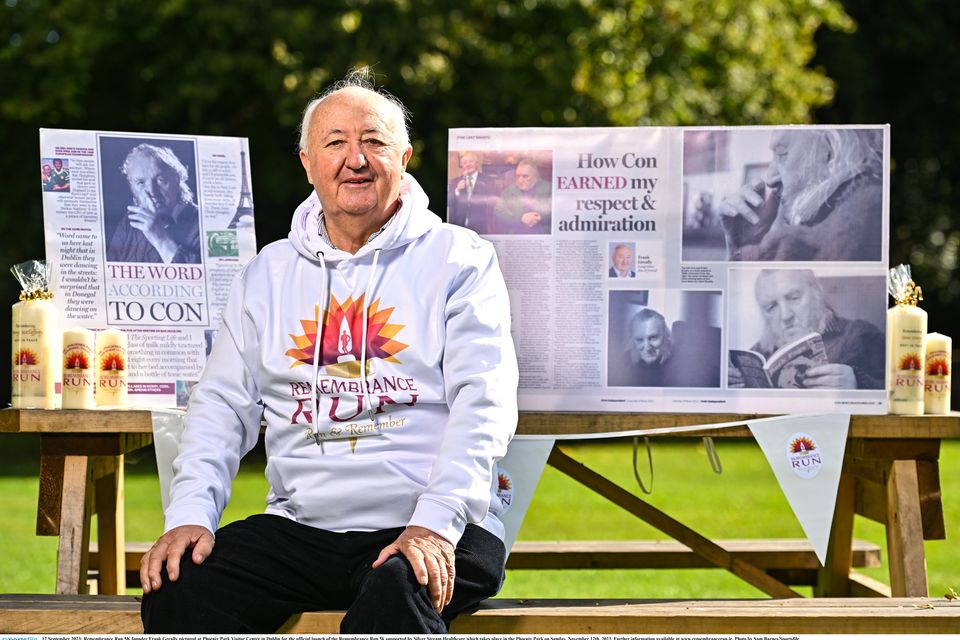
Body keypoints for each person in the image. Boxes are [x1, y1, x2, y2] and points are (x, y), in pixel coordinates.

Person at [139, 71, 519, 634]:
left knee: (397, 592)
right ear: (307, 161)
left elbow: (482, 404)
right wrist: (191, 514)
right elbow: (220, 405)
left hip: (431, 522)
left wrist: (436, 523)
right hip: (302, 529)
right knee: (181, 584)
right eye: (335, 142)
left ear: (406, 157)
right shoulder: (267, 273)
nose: (355, 159)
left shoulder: (459, 259)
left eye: (374, 141)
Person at [719, 129, 883, 261]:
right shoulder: (853, 211)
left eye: (783, 154)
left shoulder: (867, 207)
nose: (770, 179)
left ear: (831, 147)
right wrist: (748, 244)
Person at [732, 269, 884, 389]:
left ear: (816, 293)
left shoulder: (860, 334)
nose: (786, 315)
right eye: (771, 307)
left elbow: (896, 394)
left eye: (794, 298)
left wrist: (858, 383)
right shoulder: (757, 356)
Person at [106, 143, 201, 263]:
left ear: (176, 180)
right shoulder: (129, 221)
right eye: (140, 182)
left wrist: (160, 238)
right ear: (131, 187)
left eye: (160, 180)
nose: (152, 191)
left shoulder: (201, 222)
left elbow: (201, 278)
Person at [493, 159, 551, 234]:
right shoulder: (509, 191)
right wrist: (521, 218)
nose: (520, 180)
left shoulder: (549, 188)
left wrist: (540, 217)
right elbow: (498, 212)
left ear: (535, 176)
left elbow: (558, 211)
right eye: (518, 176)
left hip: (541, 234)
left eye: (525, 176)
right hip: (516, 234)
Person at [446, 151, 498, 234]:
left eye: (471, 161)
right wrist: (457, 190)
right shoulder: (455, 181)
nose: (468, 164)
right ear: (462, 166)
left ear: (477, 163)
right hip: (459, 225)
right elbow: (449, 202)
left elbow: (493, 201)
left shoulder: (488, 180)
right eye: (465, 162)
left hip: (480, 224)